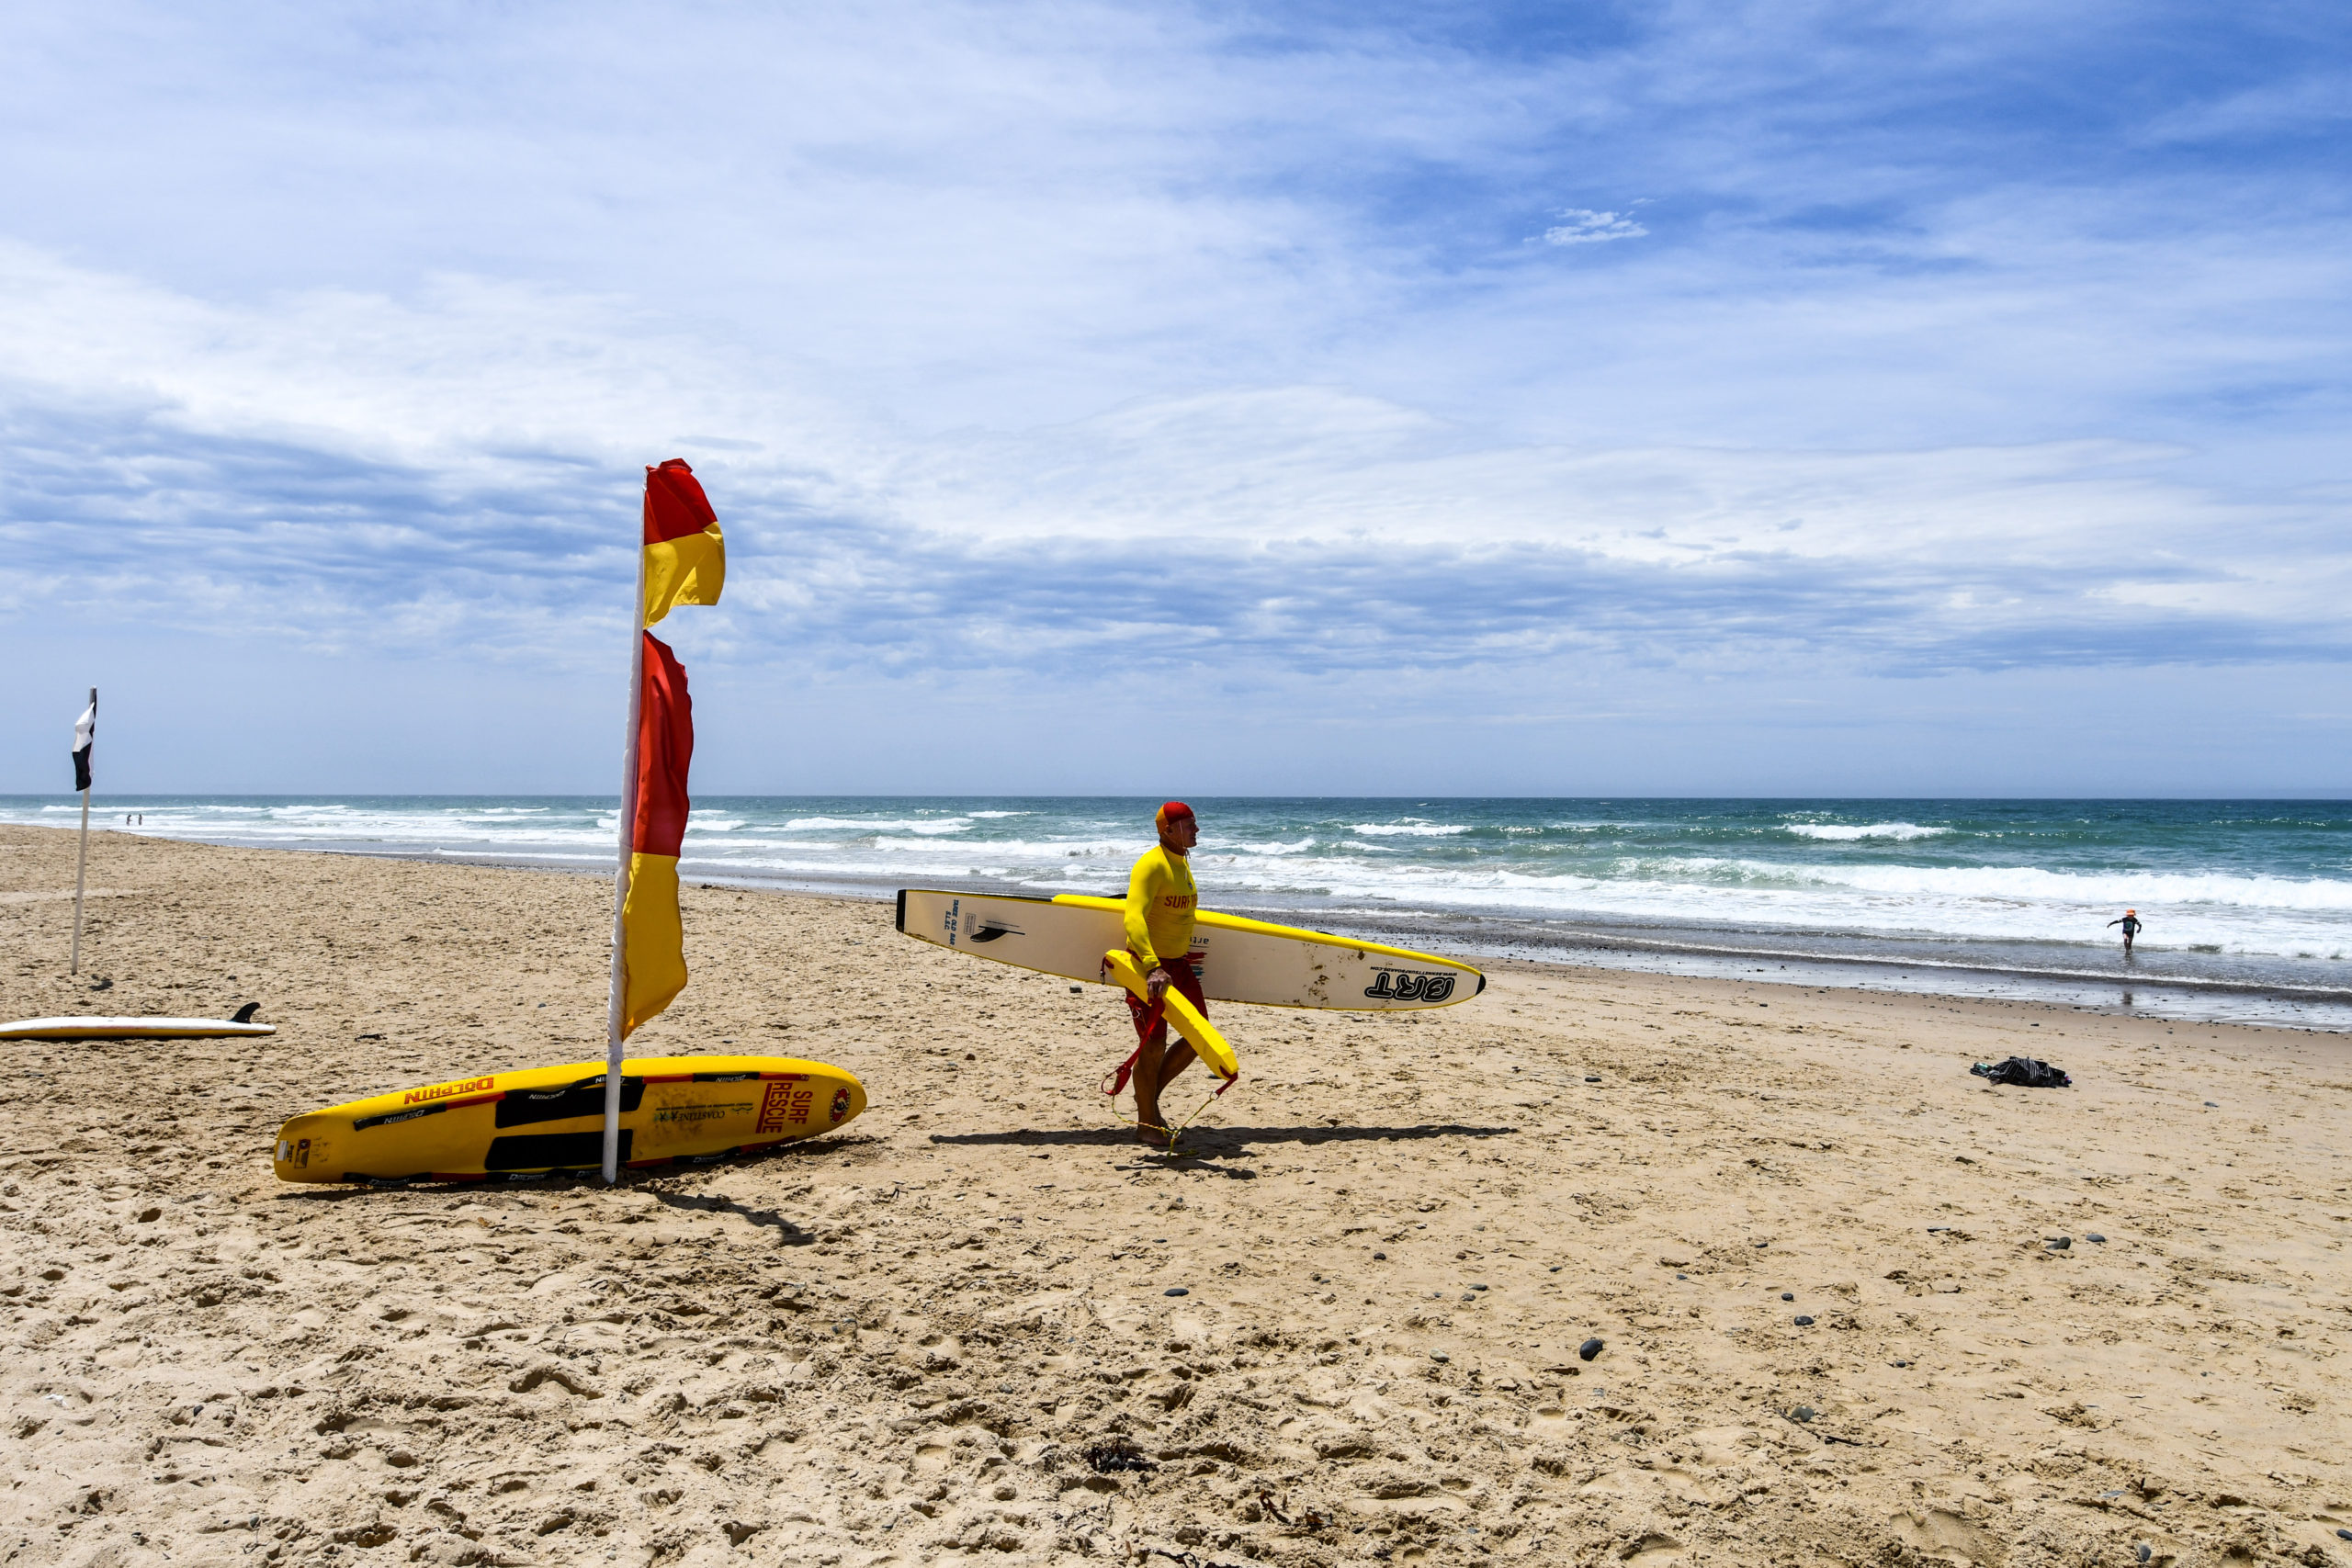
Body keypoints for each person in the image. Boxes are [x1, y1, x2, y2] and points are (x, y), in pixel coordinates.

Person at [1116, 801, 1204, 1143]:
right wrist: (1152, 966)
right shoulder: (1151, 865)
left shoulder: (1182, 862)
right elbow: (1133, 917)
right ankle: (1147, 1124)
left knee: (1199, 1037)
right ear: (1167, 830)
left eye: (1195, 824)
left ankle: (1147, 1104)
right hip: (1149, 968)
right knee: (1153, 1044)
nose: (1197, 830)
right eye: (1189, 825)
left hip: (1178, 966)